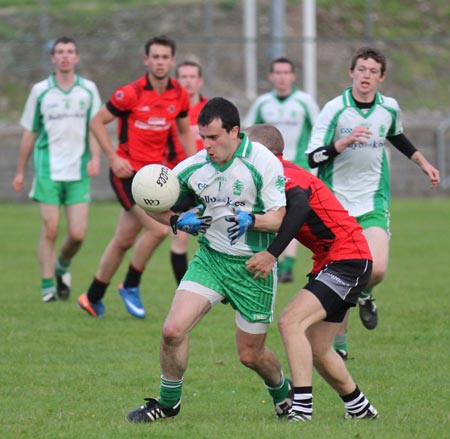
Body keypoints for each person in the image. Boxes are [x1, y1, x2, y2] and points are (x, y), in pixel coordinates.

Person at [126, 97, 291, 423]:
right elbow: (152, 201)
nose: (208, 145)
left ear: (234, 131)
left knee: (250, 355)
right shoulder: (193, 167)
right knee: (173, 330)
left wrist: (252, 221)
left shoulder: (264, 163)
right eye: (204, 137)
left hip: (253, 267)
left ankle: (284, 394)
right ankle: (168, 403)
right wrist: (175, 221)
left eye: (214, 137)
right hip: (212, 260)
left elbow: (278, 218)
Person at [305, 46, 440, 359]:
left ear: (382, 78)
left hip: (372, 200)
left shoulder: (388, 108)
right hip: (336, 205)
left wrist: (423, 163)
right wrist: (342, 142)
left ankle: (366, 295)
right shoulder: (334, 109)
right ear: (351, 73)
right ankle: (339, 348)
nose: (366, 76)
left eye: (372, 71)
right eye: (361, 69)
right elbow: (312, 157)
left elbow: (397, 135)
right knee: (344, 272)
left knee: (375, 270)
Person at [245, 123, 378, 421]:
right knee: (318, 348)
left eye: (249, 151)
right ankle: (360, 409)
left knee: (290, 322)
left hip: (348, 259)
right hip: (336, 261)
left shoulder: (284, 174)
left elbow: (301, 207)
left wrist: (271, 255)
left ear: (267, 153)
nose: (244, 157)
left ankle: (301, 409)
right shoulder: (270, 179)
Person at [77, 35, 197, 319]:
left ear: (172, 60)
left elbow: (183, 132)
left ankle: (92, 296)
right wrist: (113, 157)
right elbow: (96, 121)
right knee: (157, 229)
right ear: (147, 60)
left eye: (165, 57)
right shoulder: (129, 93)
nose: (159, 62)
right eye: (155, 57)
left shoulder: (178, 93)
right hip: (128, 174)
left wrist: (193, 166)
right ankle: (130, 284)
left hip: (156, 176)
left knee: (123, 238)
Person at [12, 36, 101, 303]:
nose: (65, 56)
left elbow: (95, 128)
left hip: (78, 172)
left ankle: (62, 266)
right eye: (60, 52)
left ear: (77, 57)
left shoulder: (88, 90)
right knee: (50, 229)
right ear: (52, 58)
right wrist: (20, 171)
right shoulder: (40, 91)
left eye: (70, 51)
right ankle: (48, 286)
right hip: (48, 169)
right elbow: (30, 132)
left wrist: (95, 157)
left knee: (77, 234)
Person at [243, 57, 320, 283]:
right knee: (277, 212)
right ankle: (280, 262)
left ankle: (286, 263)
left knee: (292, 212)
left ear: (293, 76)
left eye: (286, 72)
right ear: (271, 76)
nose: (282, 77)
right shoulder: (263, 103)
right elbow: (248, 131)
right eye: (277, 72)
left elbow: (319, 132)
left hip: (300, 167)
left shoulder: (304, 102)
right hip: (270, 168)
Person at [165, 60, 208, 284]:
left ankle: (220, 283)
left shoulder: (209, 110)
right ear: (177, 80)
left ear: (200, 81)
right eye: (183, 76)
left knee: (217, 235)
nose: (188, 81)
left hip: (211, 180)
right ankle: (182, 288)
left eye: (193, 76)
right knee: (180, 238)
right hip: (182, 183)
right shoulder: (172, 111)